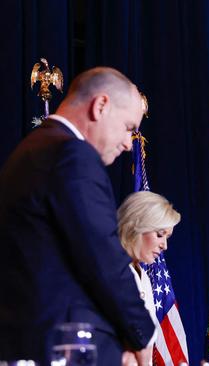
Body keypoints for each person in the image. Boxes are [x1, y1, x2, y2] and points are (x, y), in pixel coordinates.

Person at [0, 67, 155, 365]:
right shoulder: (73, 156)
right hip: (68, 347)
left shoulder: (29, 151)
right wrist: (143, 336)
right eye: (128, 127)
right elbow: (104, 258)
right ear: (101, 106)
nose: (127, 143)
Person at [117, 191, 181, 362]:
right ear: (136, 227)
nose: (164, 245)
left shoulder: (143, 276)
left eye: (167, 237)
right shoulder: (112, 272)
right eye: (160, 234)